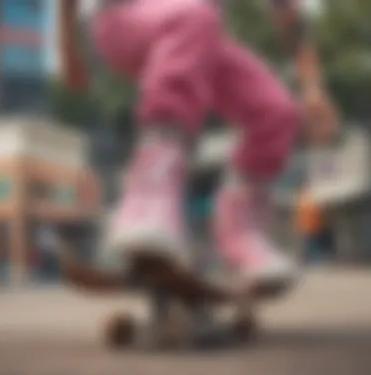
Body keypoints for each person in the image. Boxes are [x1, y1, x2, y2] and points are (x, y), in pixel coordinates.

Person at [58, 0, 338, 296]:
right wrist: (69, 50)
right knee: (195, 15)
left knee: (277, 114)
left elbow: (288, 13)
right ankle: (147, 198)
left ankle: (241, 234)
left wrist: (312, 87)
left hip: (199, 33)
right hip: (122, 20)